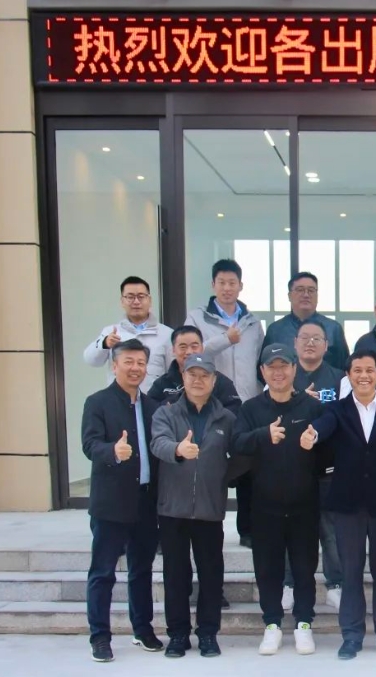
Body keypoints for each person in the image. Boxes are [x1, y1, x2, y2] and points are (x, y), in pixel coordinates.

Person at [300, 350, 376, 661]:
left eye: (369, 370)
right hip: (347, 505)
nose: (363, 375)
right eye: (357, 370)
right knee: (350, 573)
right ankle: (351, 636)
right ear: (348, 375)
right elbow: (323, 425)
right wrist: (313, 434)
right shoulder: (336, 409)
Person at [233, 343, 324, 656]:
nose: (278, 372)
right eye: (271, 367)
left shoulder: (311, 408)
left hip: (304, 505)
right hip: (264, 505)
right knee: (267, 569)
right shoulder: (251, 409)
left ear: (294, 369)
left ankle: (304, 623)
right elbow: (236, 443)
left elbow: (329, 450)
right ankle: (271, 623)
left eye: (284, 365)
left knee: (305, 568)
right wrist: (263, 435)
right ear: (262, 372)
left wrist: (315, 441)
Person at [81, 339, 162, 662]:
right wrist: (112, 451)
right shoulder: (97, 402)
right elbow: (89, 444)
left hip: (146, 502)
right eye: (128, 362)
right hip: (111, 503)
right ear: (114, 365)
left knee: (142, 570)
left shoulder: (153, 406)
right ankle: (100, 637)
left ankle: (142, 629)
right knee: (103, 572)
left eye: (140, 363)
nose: (135, 368)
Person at [150, 354, 235, 659]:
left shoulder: (227, 418)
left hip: (210, 509)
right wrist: (178, 449)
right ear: (183, 378)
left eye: (204, 375)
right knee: (176, 575)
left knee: (211, 575)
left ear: (214, 380)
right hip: (172, 508)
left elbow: (239, 455)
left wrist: (225, 477)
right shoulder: (166, 413)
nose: (198, 380)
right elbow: (157, 443)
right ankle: (177, 634)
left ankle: (208, 633)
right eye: (192, 374)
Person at [184, 259, 263, 549]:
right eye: (222, 283)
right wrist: (224, 339)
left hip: (248, 404)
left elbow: (260, 363)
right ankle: (203, 526)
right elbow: (190, 353)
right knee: (208, 464)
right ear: (213, 285)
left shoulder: (252, 323)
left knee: (247, 466)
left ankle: (247, 529)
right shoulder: (197, 318)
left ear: (241, 286)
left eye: (232, 283)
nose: (227, 288)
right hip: (211, 404)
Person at [283, 318, 345, 613]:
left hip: (328, 466)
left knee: (330, 529)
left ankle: (336, 584)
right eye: (304, 338)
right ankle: (288, 584)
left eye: (316, 338)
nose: (310, 343)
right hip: (291, 467)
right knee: (292, 528)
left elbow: (344, 417)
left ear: (326, 345)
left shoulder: (339, 378)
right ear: (295, 343)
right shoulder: (284, 374)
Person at [84, 276, 171, 391]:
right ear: (122, 301)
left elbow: (172, 372)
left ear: (149, 300)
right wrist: (104, 343)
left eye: (141, 296)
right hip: (118, 399)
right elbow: (91, 360)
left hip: (154, 399)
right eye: (130, 297)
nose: (136, 301)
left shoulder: (167, 334)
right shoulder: (111, 332)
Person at [263, 271, 350, 370]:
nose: (306, 295)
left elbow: (344, 368)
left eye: (311, 290)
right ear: (289, 296)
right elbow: (265, 367)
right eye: (300, 290)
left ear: (317, 295)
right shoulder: (275, 330)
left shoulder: (334, 328)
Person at [147, 326, 241, 416]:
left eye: (194, 346)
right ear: (173, 350)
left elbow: (234, 411)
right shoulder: (162, 384)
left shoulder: (221, 382)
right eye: (183, 347)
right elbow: (150, 412)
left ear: (202, 348)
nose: (189, 352)